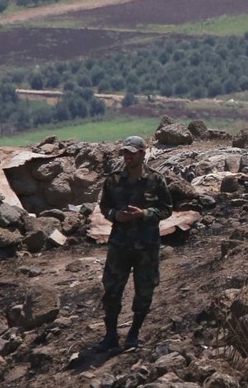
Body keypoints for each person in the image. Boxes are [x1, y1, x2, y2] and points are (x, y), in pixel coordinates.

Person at [93, 135, 173, 352]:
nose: (127, 157)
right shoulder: (113, 180)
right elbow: (104, 207)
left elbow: (167, 209)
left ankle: (134, 333)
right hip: (120, 245)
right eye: (125, 152)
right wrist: (115, 216)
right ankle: (110, 335)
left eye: (132, 152)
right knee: (111, 290)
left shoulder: (156, 180)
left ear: (142, 153)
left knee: (145, 290)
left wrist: (144, 213)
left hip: (147, 247)